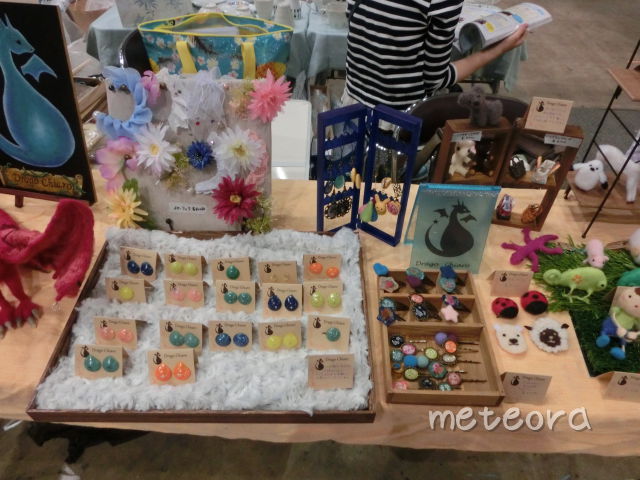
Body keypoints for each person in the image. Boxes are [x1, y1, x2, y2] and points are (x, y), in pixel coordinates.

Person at [343, 0, 528, 111]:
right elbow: (435, 79)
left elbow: (357, 28)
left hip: (350, 107)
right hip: (397, 123)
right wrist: (499, 49)